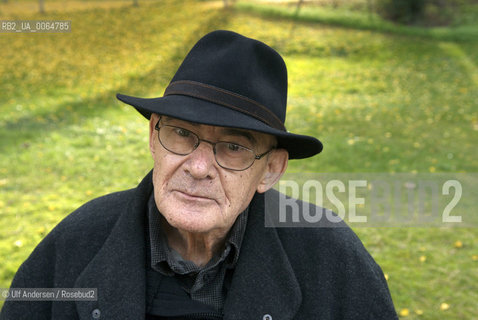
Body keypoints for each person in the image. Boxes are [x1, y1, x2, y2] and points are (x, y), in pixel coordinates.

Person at [1, 30, 398, 319]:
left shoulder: (332, 261)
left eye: (233, 147)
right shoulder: (77, 242)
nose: (198, 166)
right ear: (153, 137)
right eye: (182, 134)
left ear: (270, 170)